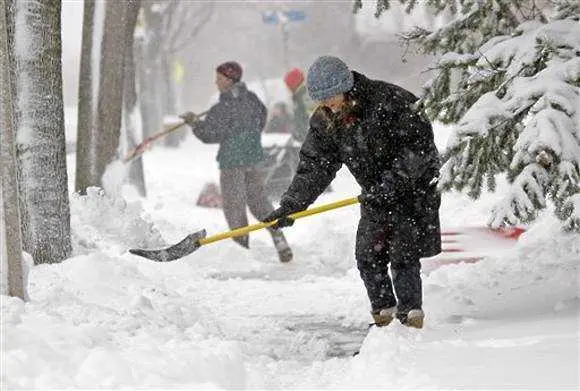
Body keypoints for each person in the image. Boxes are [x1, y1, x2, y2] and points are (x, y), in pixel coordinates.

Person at [263, 56, 441, 328]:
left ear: (346, 86)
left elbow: (419, 149)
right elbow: (315, 166)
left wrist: (392, 183)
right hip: (374, 197)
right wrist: (291, 205)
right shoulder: (326, 119)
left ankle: (410, 318)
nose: (327, 104)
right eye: (320, 98)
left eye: (331, 96)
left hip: (410, 192)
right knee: (368, 256)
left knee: (403, 255)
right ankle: (384, 316)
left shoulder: (390, 100)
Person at [180, 61, 293, 263]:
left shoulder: (222, 107)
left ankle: (242, 250)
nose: (216, 82)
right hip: (254, 159)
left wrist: (194, 123)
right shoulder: (253, 100)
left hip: (232, 162)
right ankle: (279, 238)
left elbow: (209, 134)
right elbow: (261, 119)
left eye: (219, 79)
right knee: (259, 202)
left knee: (234, 206)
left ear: (230, 80)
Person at [283, 68, 313, 143]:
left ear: (293, 84)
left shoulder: (305, 95)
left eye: (288, 85)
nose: (288, 89)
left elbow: (312, 115)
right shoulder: (299, 96)